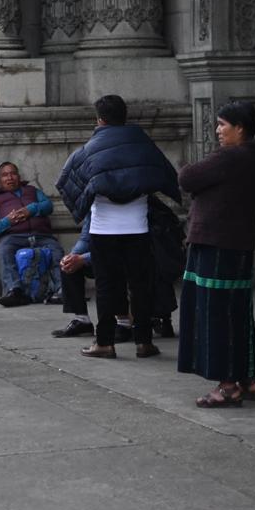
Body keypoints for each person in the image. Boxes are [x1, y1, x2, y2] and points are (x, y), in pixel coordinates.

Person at [55, 95, 180, 360]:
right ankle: (144, 342)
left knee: (106, 286)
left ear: (99, 119)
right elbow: (165, 174)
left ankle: (105, 343)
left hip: (103, 230)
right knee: (140, 285)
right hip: (138, 227)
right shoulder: (144, 145)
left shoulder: (90, 148)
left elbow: (68, 180)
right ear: (125, 116)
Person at [177, 100, 255, 408]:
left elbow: (187, 178)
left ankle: (227, 385)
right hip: (237, 244)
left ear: (240, 128)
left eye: (222, 125)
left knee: (214, 314)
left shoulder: (231, 156)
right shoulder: (254, 155)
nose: (218, 131)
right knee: (237, 311)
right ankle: (247, 379)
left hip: (216, 245)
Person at [0, 162, 63, 307]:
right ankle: (14, 291)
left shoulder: (32, 190)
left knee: (56, 250)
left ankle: (62, 290)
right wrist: (8, 221)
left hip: (41, 235)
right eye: (5, 175)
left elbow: (48, 206)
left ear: (19, 176)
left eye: (13, 173)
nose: (10, 178)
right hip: (14, 237)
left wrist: (30, 210)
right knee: (3, 249)